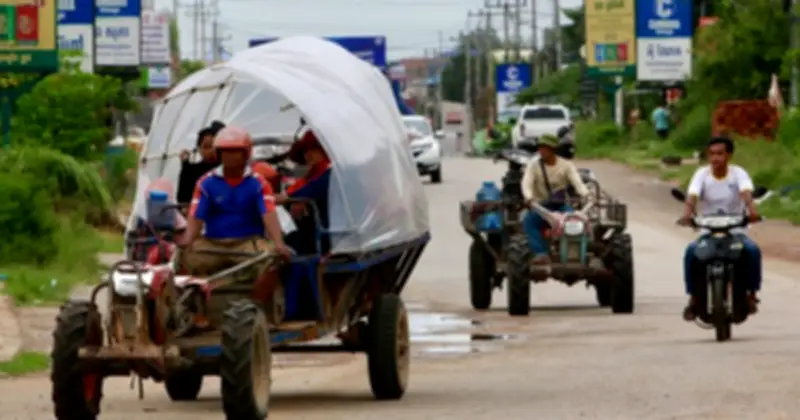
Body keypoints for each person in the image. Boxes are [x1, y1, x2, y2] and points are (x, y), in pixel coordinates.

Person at [181, 126, 292, 299]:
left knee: (273, 261)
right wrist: (187, 240)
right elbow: (196, 216)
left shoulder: (258, 183)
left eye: (235, 152)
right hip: (212, 245)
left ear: (245, 154)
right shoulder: (206, 183)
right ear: (218, 154)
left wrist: (278, 243)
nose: (230, 157)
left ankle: (256, 303)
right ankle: (195, 305)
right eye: (225, 152)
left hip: (248, 244)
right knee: (181, 258)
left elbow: (268, 214)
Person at [679, 136, 762, 320]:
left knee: (752, 251)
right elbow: (692, 195)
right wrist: (687, 213)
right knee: (691, 253)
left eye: (720, 154)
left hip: (735, 230)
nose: (715, 158)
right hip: (708, 230)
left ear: (729, 155)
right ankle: (693, 298)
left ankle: (752, 294)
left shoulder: (738, 173)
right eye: (712, 154)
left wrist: (752, 211)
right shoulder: (702, 174)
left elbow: (746, 192)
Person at [521, 134, 590, 265]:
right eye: (540, 148)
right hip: (541, 207)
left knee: (574, 221)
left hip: (561, 206)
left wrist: (586, 194)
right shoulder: (533, 166)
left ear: (553, 149)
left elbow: (578, 183)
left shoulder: (567, 165)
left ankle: (573, 253)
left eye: (545, 148)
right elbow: (526, 183)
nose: (541, 151)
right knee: (529, 222)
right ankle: (540, 254)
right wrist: (528, 197)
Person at [276, 130, 332, 253]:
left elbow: (299, 192)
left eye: (313, 149)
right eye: (305, 150)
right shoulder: (309, 175)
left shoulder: (329, 174)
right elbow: (294, 189)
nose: (308, 154)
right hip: (313, 231)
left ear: (324, 150)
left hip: (328, 235)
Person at [176, 121, 226, 204]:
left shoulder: (228, 170)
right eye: (207, 147)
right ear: (199, 149)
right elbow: (182, 200)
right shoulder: (190, 171)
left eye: (215, 146)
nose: (212, 151)